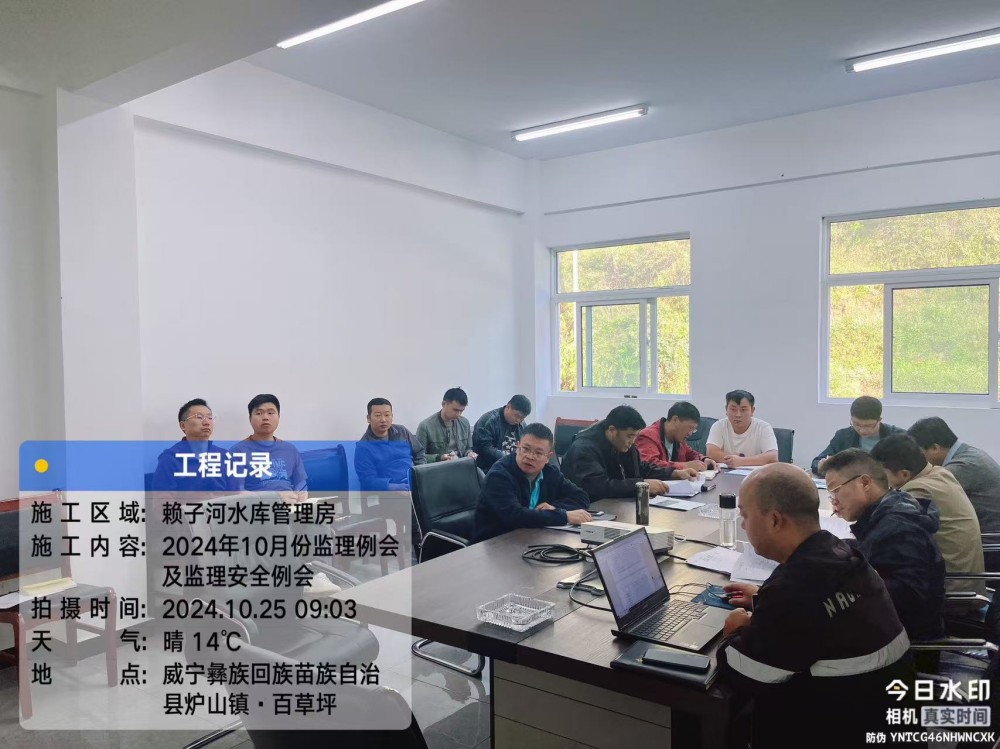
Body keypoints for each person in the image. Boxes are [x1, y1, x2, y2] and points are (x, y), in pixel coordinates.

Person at [718, 464, 912, 748]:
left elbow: (744, 673)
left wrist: (735, 630)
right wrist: (763, 601)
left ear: (775, 520)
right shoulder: (842, 553)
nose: (743, 525)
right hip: (888, 719)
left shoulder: (794, 588)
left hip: (842, 731)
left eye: (745, 515)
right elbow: (817, 616)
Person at [821, 449, 945, 640]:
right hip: (886, 630)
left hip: (901, 643)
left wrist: (843, 582)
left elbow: (907, 597)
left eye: (836, 490)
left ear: (865, 482)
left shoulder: (899, 527)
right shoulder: (889, 511)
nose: (834, 502)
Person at [870, 435, 985, 600]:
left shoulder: (916, 490)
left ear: (904, 474)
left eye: (881, 476)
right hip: (968, 581)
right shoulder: (939, 472)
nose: (878, 481)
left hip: (951, 589)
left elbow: (888, 535)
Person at [472, 423, 592, 543]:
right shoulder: (499, 475)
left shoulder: (550, 472)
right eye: (525, 449)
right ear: (518, 447)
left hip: (532, 537)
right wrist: (564, 516)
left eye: (538, 453)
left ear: (548, 457)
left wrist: (554, 508)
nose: (530, 457)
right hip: (495, 543)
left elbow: (581, 497)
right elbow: (515, 516)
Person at [560, 405, 693, 501]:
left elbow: (639, 468)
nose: (633, 441)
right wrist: (642, 485)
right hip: (586, 509)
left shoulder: (622, 443)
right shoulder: (584, 449)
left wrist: (672, 473)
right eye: (630, 436)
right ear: (612, 431)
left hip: (615, 505)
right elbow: (599, 487)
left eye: (635, 436)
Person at [907, 416, 1000, 537]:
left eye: (918, 453)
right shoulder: (969, 453)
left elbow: (922, 490)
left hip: (991, 537)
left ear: (935, 448)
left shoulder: (962, 466)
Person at [151, 398, 240, 495]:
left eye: (210, 418)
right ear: (183, 425)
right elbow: (163, 502)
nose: (206, 422)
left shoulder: (224, 456)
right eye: (199, 417)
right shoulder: (170, 459)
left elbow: (235, 495)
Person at [229, 394, 307, 502]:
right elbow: (237, 493)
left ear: (278, 417)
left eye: (270, 413)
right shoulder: (237, 452)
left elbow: (300, 482)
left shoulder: (290, 449)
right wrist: (275, 499)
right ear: (250, 419)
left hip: (291, 507)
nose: (265, 417)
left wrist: (301, 493)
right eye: (259, 413)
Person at [811, 396, 906, 476]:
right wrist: (820, 465)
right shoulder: (843, 436)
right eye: (856, 424)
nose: (862, 430)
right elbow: (816, 462)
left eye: (868, 426)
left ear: (879, 420)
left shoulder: (898, 437)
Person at [355, 397, 426, 491]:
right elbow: (367, 480)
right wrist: (393, 487)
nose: (383, 420)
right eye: (378, 415)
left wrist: (420, 475)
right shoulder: (363, 446)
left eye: (387, 415)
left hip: (413, 481)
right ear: (368, 418)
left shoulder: (402, 431)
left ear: (392, 416)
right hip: (389, 491)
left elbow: (419, 453)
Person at [635, 401, 717, 471]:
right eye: (690, 428)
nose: (690, 433)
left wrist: (704, 459)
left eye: (693, 430)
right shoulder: (648, 436)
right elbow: (650, 465)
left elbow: (690, 454)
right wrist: (685, 466)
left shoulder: (678, 439)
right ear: (675, 420)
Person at [705, 390, 778, 468]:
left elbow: (772, 457)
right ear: (726, 409)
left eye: (743, 410)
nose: (738, 415)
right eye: (733, 409)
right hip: (726, 472)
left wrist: (741, 461)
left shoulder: (763, 427)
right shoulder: (719, 426)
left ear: (752, 411)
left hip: (756, 473)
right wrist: (733, 460)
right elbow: (711, 453)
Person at [416, 387, 478, 463]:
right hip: (439, 467)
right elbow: (419, 457)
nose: (458, 414)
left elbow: (468, 449)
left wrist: (469, 454)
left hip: (461, 465)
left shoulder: (465, 423)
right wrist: (439, 457)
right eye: (455, 410)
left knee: (480, 470)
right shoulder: (425, 426)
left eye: (462, 410)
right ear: (443, 404)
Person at [472, 394, 531, 472]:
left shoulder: (521, 425)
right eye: (517, 416)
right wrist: (507, 458)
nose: (518, 420)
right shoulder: (489, 420)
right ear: (508, 407)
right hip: (489, 468)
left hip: (513, 466)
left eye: (522, 418)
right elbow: (483, 447)